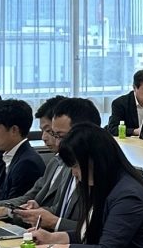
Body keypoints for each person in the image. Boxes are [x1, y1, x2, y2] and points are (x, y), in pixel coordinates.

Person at [23, 123, 143, 248]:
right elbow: (91, 234)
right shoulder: (104, 185)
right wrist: (52, 238)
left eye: (75, 166)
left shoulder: (128, 196)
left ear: (94, 161)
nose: (73, 173)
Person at [8, 98, 100, 232]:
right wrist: (37, 212)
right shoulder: (66, 164)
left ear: (84, 132)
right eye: (55, 135)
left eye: (60, 136)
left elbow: (100, 231)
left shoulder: (103, 173)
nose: (57, 143)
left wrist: (54, 222)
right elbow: (61, 209)